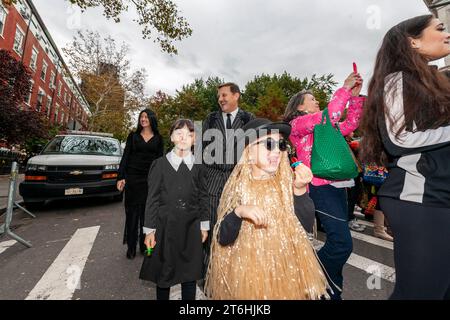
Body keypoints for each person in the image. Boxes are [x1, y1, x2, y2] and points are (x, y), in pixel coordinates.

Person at [360, 15, 450, 300]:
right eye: (440, 28)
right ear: (413, 41)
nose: (447, 33)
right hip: (419, 196)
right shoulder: (398, 79)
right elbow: (399, 139)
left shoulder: (435, 80)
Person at [205, 119, 329, 300]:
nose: (277, 151)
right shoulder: (238, 189)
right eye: (269, 144)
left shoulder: (287, 185)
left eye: (281, 145)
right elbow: (222, 238)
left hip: (287, 272)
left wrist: (300, 191)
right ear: (248, 153)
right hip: (249, 277)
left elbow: (306, 226)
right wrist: (239, 212)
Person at [284, 73, 365, 300]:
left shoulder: (325, 124)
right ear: (300, 106)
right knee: (341, 245)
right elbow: (330, 115)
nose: (317, 101)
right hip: (319, 187)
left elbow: (350, 124)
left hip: (337, 186)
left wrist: (355, 98)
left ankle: (331, 292)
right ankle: (309, 272)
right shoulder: (298, 124)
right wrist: (345, 89)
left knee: (338, 242)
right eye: (312, 99)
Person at [139, 119, 209, 300]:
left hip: (191, 227)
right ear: (171, 137)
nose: (184, 137)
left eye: (190, 134)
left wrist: (204, 225)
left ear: (195, 140)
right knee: (164, 274)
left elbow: (203, 196)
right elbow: (152, 199)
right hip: (165, 227)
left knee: (189, 275)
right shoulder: (159, 165)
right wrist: (149, 231)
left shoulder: (199, 167)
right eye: (179, 133)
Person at [201, 83, 255, 275]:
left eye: (224, 95)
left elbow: (254, 150)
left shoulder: (249, 119)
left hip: (239, 182)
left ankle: (233, 273)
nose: (220, 99)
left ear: (236, 96)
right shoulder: (210, 119)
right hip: (213, 182)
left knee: (235, 228)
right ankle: (210, 273)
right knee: (212, 226)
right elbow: (201, 150)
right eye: (219, 96)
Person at [117, 109, 164, 259]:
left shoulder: (158, 138)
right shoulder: (133, 136)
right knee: (132, 214)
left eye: (145, 117)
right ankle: (131, 247)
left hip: (149, 180)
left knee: (146, 214)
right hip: (133, 179)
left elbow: (159, 162)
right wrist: (121, 177)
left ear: (151, 119)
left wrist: (160, 181)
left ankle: (145, 246)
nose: (143, 119)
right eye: (141, 117)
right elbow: (125, 157)